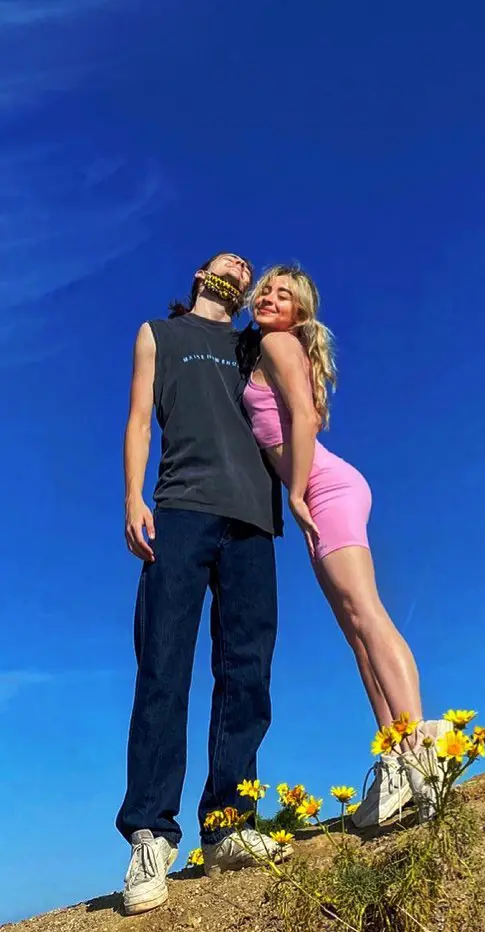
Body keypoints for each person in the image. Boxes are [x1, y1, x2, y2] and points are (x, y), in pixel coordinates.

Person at [241, 264, 449, 826]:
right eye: (266, 289)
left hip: (326, 489)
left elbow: (304, 416)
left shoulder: (279, 344)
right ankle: (397, 760)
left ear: (298, 314)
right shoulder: (263, 348)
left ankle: (424, 753)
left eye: (284, 295)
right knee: (356, 636)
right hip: (321, 492)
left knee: (368, 614)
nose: (270, 297)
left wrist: (297, 491)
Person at [117, 253, 290, 916]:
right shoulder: (159, 334)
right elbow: (138, 418)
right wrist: (133, 496)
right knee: (163, 667)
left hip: (253, 515)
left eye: (247, 268)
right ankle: (150, 835)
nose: (240, 265)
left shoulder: (253, 342)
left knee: (247, 669)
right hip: (181, 508)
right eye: (229, 259)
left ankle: (228, 825)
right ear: (199, 273)